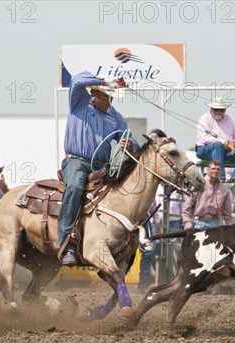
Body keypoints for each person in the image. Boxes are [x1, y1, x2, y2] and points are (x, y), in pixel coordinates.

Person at [57, 71, 137, 266]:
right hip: (77, 162)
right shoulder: (80, 103)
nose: (110, 100)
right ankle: (66, 243)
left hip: (103, 166)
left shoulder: (114, 116)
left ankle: (122, 243)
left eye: (111, 96)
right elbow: (76, 79)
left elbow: (130, 137)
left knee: (126, 191)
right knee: (75, 187)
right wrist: (104, 80)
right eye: (107, 95)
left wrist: (130, 144)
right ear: (96, 93)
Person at [195, 97, 235, 185]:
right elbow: (204, 138)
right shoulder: (204, 118)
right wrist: (223, 142)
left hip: (225, 151)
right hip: (205, 150)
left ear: (225, 110)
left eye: (221, 110)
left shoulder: (228, 119)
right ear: (211, 109)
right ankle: (220, 178)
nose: (219, 112)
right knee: (218, 145)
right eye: (216, 110)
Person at [183, 160, 233, 230]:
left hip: (215, 223)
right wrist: (187, 223)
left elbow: (227, 213)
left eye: (218, 169)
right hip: (198, 222)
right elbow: (187, 206)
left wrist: (231, 228)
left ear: (220, 172)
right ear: (208, 170)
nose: (215, 171)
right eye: (213, 169)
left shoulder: (224, 189)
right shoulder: (198, 184)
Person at [138, 200, 161, 293]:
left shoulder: (151, 192)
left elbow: (153, 207)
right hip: (132, 218)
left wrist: (157, 221)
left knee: (148, 253)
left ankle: (143, 286)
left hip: (146, 220)